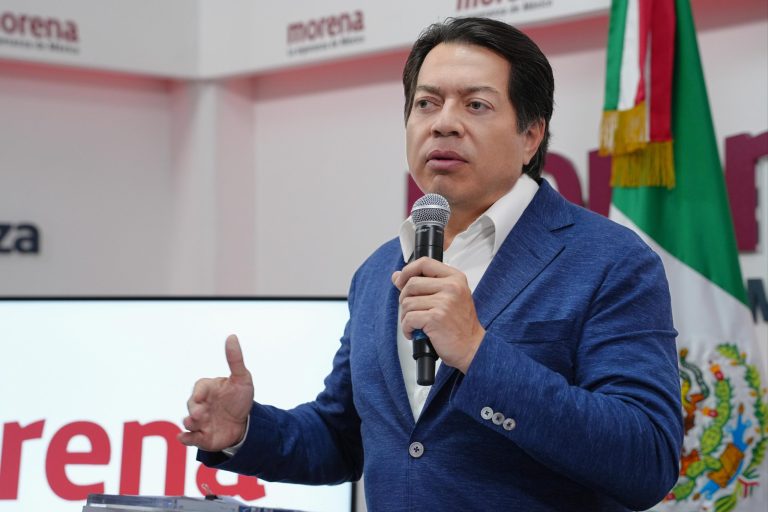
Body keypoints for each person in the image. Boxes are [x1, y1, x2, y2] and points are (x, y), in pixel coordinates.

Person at [179, 17, 683, 511]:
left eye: (476, 104)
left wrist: (477, 352)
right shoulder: (379, 271)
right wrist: (245, 430)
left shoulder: (609, 261)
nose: (444, 122)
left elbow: (647, 460)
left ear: (531, 135)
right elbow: (343, 436)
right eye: (426, 103)